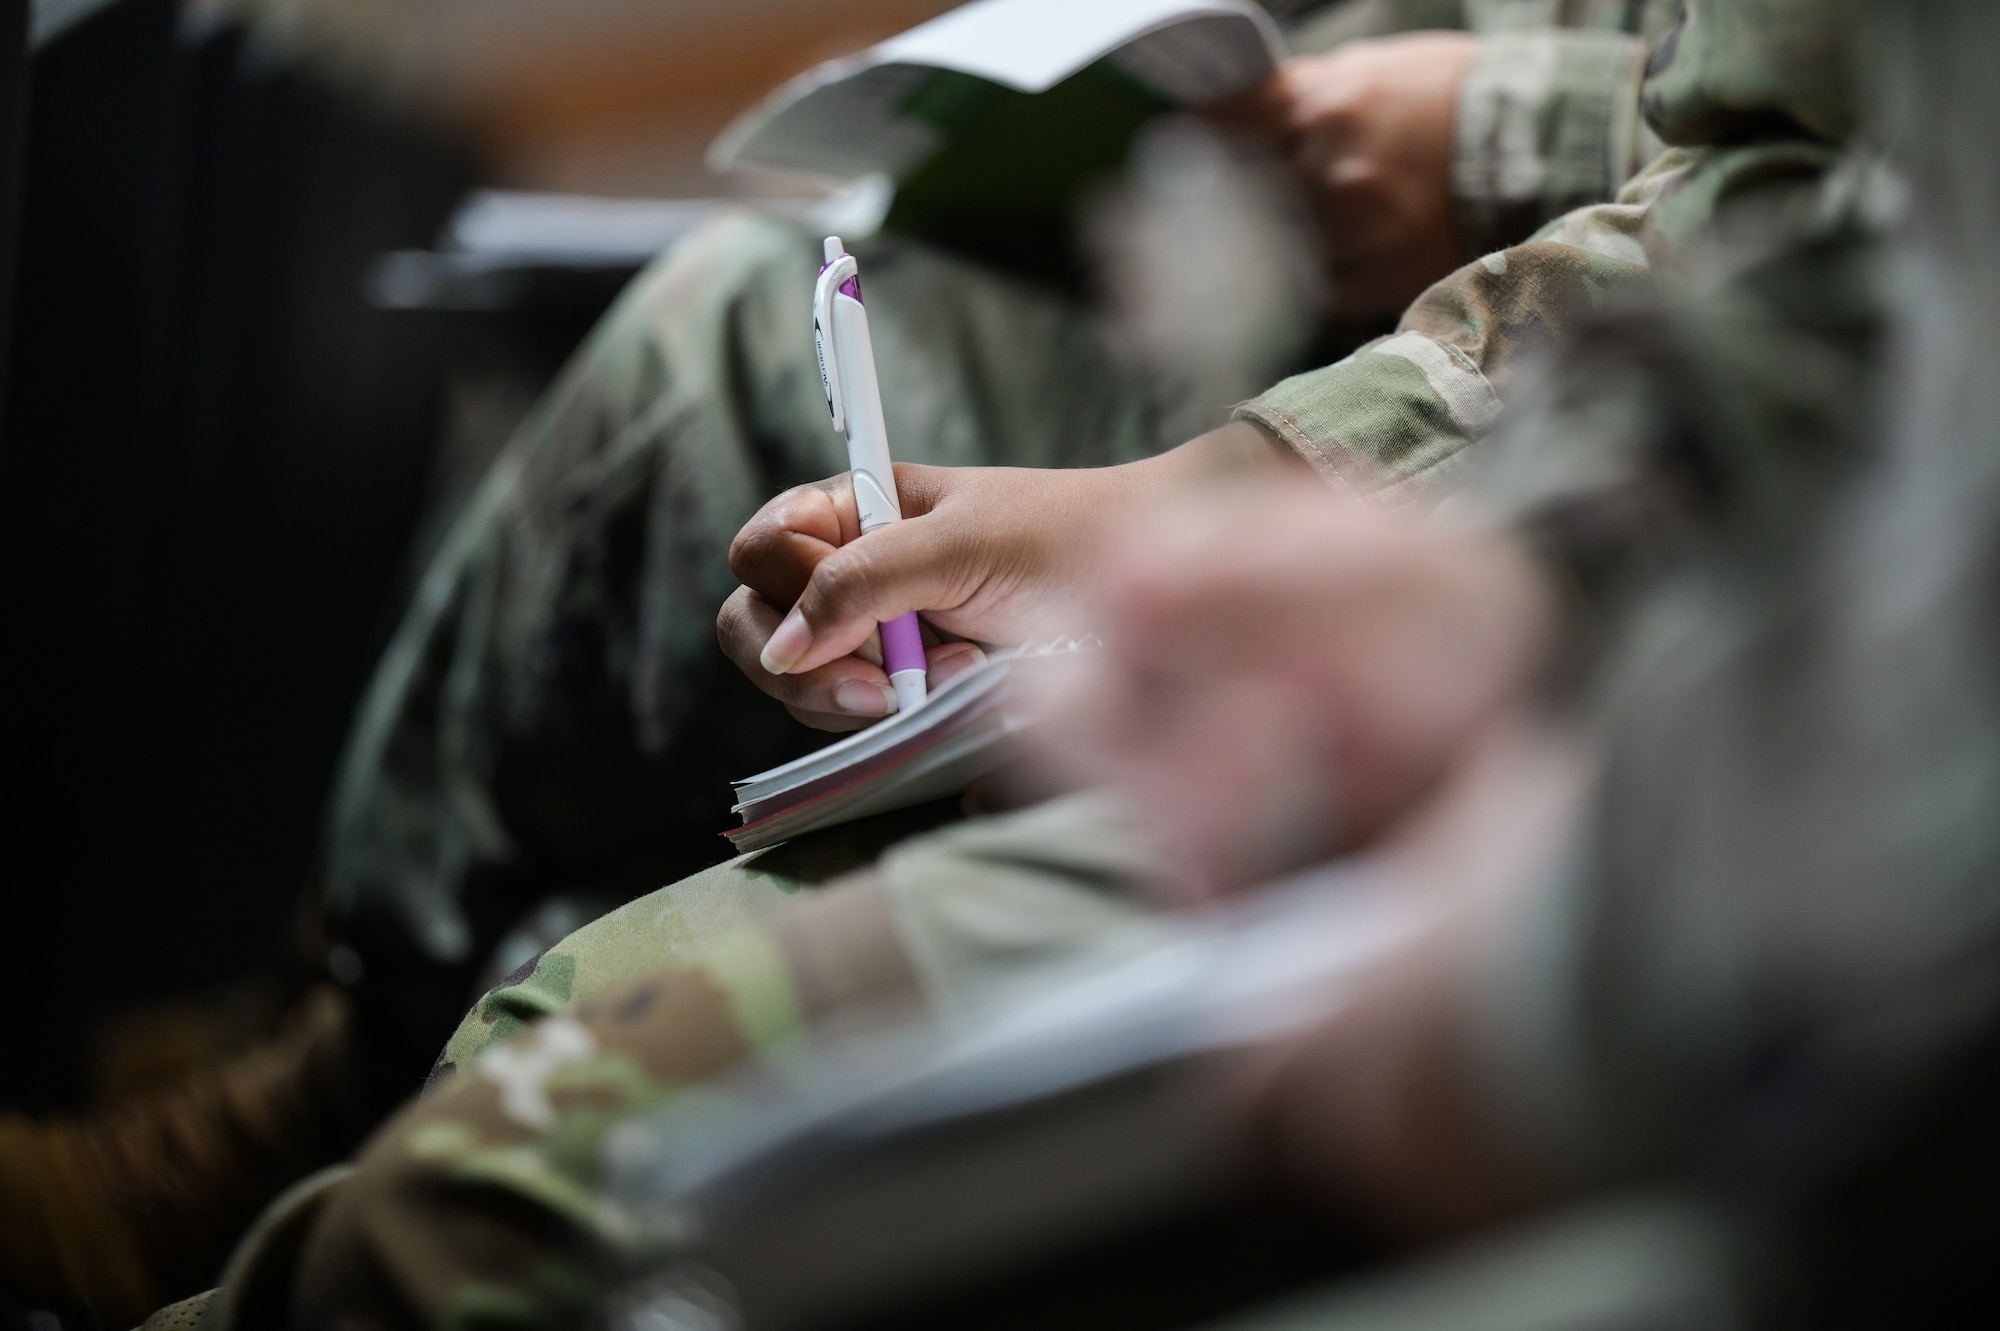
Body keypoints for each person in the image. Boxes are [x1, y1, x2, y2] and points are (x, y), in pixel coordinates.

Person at [138, 1, 1965, 1327]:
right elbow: (1805, 227)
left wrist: (1325, 501)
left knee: (527, 1165)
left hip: (1757, 816)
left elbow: (1817, 249)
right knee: (734, 350)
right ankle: (289, 1089)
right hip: (1663, 551)